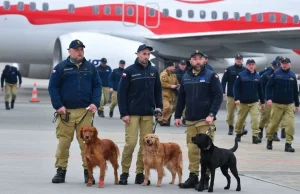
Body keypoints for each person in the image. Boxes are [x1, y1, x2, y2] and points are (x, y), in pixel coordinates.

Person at [48, 39, 102, 184]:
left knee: (86, 144)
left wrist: (95, 103)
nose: (80, 51)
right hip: (66, 113)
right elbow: (53, 88)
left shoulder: (90, 68)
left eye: (81, 49)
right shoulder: (60, 68)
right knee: (64, 143)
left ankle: (88, 172)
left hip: (85, 113)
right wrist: (58, 105)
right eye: (76, 49)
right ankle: (60, 171)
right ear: (69, 51)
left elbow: (97, 86)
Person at [174, 49, 223, 189]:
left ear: (204, 60)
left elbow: (218, 96)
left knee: (206, 151)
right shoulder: (186, 77)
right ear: (190, 61)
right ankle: (193, 176)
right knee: (192, 149)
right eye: (194, 58)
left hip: (205, 119)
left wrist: (212, 114)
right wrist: (177, 116)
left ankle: (205, 178)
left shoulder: (211, 76)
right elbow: (181, 98)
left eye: (200, 58)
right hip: (190, 120)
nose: (197, 61)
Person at [117, 44, 163, 185]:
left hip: (148, 114)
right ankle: (124, 173)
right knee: (130, 144)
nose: (146, 56)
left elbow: (158, 91)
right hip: (132, 114)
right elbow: (121, 93)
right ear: (137, 54)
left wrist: (159, 107)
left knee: (146, 146)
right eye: (144, 54)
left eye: (148, 54)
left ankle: (140, 173)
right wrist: (124, 113)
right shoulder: (129, 71)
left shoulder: (153, 71)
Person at [265, 57, 299, 152]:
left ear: (289, 64)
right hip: (277, 104)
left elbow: (295, 91)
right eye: (283, 63)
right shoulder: (276, 74)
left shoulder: (292, 75)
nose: (284, 65)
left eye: (286, 63)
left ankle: (288, 144)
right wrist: (269, 98)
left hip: (289, 105)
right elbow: (268, 87)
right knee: (273, 125)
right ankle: (270, 139)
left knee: (290, 125)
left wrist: (297, 104)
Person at [233, 59, 265, 144]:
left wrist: (262, 102)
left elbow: (260, 90)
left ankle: (255, 136)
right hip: (243, 102)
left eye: (253, 64)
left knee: (255, 119)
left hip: (254, 102)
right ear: (247, 65)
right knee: (241, 119)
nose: (251, 66)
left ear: (255, 66)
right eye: (249, 64)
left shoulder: (258, 76)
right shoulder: (241, 75)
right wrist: (237, 99)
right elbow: (236, 88)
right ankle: (238, 133)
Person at [221, 54, 247, 135]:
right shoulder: (229, 69)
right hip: (231, 95)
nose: (238, 60)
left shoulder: (245, 70)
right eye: (237, 59)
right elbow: (224, 81)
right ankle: (231, 127)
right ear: (235, 60)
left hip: (241, 96)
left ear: (242, 60)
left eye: (240, 59)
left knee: (242, 112)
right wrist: (223, 91)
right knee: (230, 113)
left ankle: (241, 127)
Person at [258, 60, 280, 141]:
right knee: (265, 116)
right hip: (266, 98)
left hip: (277, 99)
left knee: (275, 117)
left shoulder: (281, 75)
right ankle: (260, 130)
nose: (276, 69)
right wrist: (261, 99)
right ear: (272, 66)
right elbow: (261, 88)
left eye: (278, 67)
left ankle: (273, 133)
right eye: (275, 67)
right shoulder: (266, 75)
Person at [158, 61, 179, 126]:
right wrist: (170, 86)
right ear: (168, 67)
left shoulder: (174, 75)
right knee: (166, 107)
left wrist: (179, 85)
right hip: (165, 94)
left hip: (171, 95)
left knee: (170, 109)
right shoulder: (164, 74)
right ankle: (159, 118)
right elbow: (162, 83)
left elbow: (176, 82)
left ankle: (164, 121)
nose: (174, 68)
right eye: (172, 66)